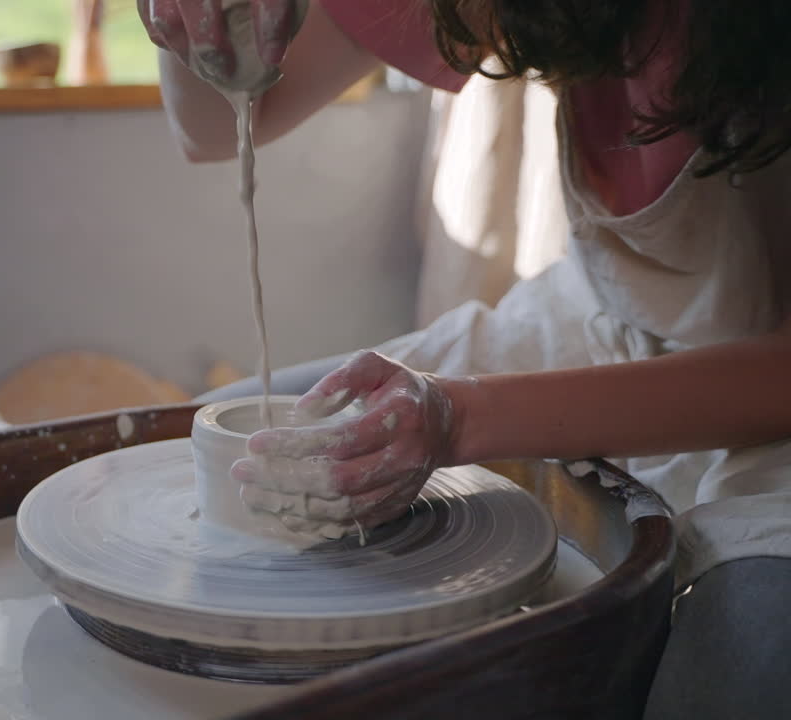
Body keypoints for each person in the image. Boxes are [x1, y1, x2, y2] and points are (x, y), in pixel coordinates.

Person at [137, 2, 791, 718]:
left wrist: (461, 414)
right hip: (601, 313)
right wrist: (194, 22)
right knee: (202, 446)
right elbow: (213, 127)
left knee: (741, 666)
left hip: (768, 391)